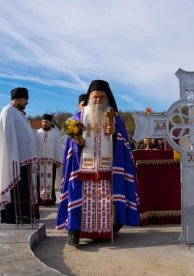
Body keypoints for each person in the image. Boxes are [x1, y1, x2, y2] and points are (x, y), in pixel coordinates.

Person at [56, 80, 138, 246]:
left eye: (102, 97)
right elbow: (68, 143)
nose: (98, 100)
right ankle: (74, 231)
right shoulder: (78, 116)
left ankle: (108, 230)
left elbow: (125, 144)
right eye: (95, 97)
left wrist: (115, 133)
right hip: (83, 168)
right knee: (78, 198)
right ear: (89, 97)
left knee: (107, 201)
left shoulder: (114, 117)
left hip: (108, 169)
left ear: (107, 98)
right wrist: (77, 140)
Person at [0, 88, 39, 224]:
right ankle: (13, 217)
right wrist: (13, 156)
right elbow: (8, 137)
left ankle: (24, 215)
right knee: (15, 189)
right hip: (14, 159)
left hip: (23, 160)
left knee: (23, 189)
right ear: (17, 99)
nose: (27, 102)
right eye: (25, 99)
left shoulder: (19, 113)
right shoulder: (8, 112)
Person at [35, 114, 63, 206]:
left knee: (51, 180)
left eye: (47, 122)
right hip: (40, 161)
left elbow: (58, 147)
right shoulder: (37, 132)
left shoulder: (56, 133)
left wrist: (58, 160)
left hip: (52, 161)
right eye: (43, 122)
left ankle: (50, 200)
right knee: (39, 181)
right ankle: (40, 200)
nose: (45, 123)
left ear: (50, 123)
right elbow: (35, 146)